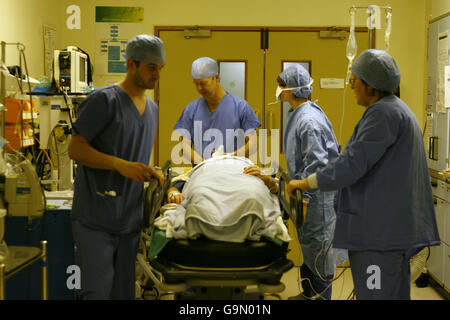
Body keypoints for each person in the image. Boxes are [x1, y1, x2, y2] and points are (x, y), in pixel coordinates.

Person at [287, 49, 441, 300]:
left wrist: (305, 183)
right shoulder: (397, 110)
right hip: (390, 234)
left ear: (371, 85)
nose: (351, 86)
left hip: (378, 238)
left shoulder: (383, 114)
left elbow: (350, 166)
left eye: (354, 80)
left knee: (375, 295)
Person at [68, 34, 166, 300]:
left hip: (128, 220)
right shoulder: (104, 101)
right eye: (151, 67)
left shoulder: (153, 109)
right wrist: (119, 166)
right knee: (95, 292)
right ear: (132, 64)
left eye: (160, 67)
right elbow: (74, 149)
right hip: (95, 219)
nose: (157, 74)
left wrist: (149, 171)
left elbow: (130, 153)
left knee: (123, 293)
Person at [275, 64, 342, 300]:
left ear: (293, 90)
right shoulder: (299, 115)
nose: (279, 90)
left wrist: (306, 197)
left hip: (317, 197)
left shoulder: (309, 121)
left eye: (282, 85)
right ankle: (309, 294)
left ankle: (321, 297)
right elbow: (301, 159)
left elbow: (318, 164)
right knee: (310, 246)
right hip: (306, 194)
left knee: (320, 251)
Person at [174, 57, 261, 165]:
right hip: (203, 173)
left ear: (217, 77)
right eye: (196, 84)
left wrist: (229, 157)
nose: (199, 88)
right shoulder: (191, 110)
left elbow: (253, 144)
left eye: (203, 83)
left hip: (234, 171)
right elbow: (184, 146)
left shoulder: (241, 107)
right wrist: (204, 164)